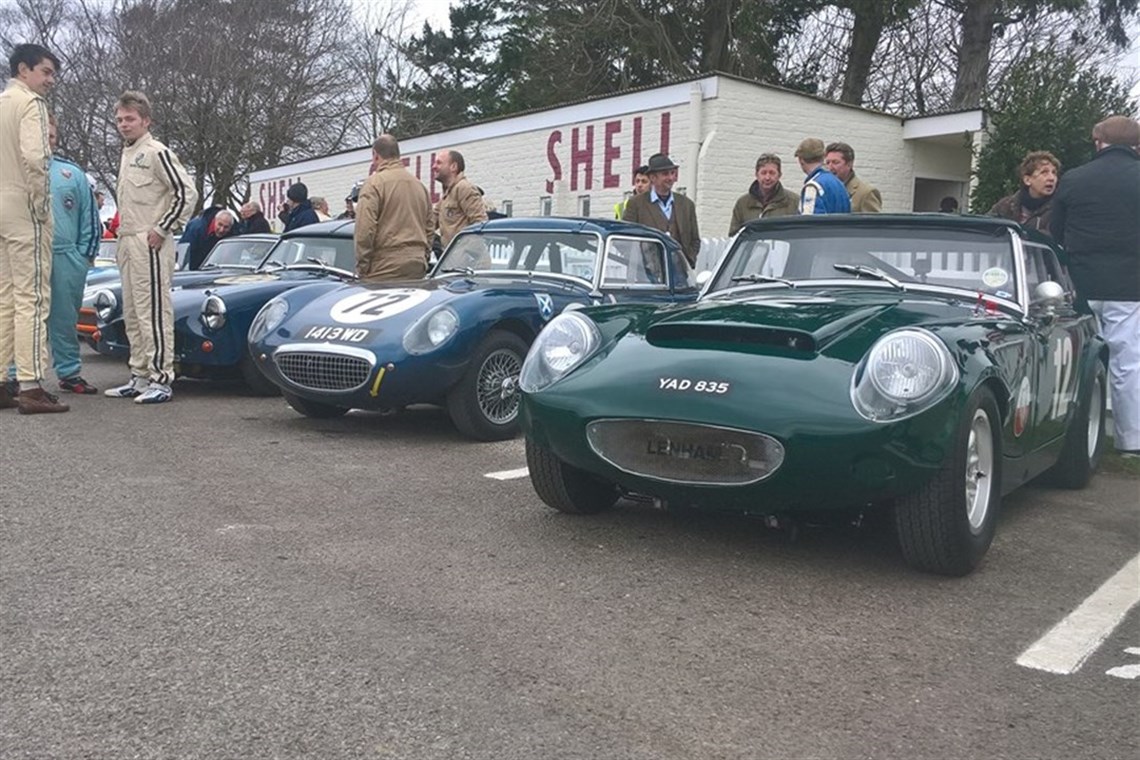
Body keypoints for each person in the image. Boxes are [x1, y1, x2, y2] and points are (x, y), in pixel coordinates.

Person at [1050, 115, 1140, 458]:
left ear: (1098, 142)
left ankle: (1078, 436)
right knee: (1127, 361)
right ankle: (1130, 440)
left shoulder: (1073, 178)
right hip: (1129, 285)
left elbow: (1056, 233)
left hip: (1081, 284)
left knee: (1082, 360)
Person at [103, 90, 197, 404]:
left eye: (129, 119)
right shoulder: (127, 154)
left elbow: (186, 192)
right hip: (127, 240)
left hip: (150, 241)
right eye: (119, 119)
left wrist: (162, 227)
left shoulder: (157, 152)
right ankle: (140, 374)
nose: (123, 124)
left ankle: (161, 378)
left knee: (153, 311)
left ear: (146, 120)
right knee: (132, 312)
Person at [0, 43, 69, 414]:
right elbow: (35, 156)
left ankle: (1, 381)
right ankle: (30, 385)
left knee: (6, 297)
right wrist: (41, 205)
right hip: (24, 205)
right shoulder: (31, 104)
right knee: (32, 298)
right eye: (46, 72)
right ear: (23, 70)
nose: (50, 80)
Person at [46, 115, 101, 395]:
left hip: (66, 257)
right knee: (21, 318)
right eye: (41, 134)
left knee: (64, 319)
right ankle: (15, 376)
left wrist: (83, 257)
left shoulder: (71, 173)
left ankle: (69, 372)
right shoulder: (9, 171)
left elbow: (89, 218)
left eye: (51, 136)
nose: (46, 141)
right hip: (24, 255)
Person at [354, 134, 432, 282]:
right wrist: (423, 255)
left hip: (383, 267)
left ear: (375, 155)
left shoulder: (373, 184)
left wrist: (362, 267)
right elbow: (430, 226)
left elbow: (365, 229)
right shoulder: (419, 186)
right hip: (416, 265)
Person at [622, 152, 701, 266]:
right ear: (652, 178)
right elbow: (624, 239)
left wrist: (689, 260)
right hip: (646, 272)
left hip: (679, 272)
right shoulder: (636, 204)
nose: (670, 178)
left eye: (672, 173)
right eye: (665, 174)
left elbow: (695, 240)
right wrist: (639, 264)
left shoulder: (687, 205)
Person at [989, 151, 1059, 235]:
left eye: (1054, 173)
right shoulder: (1006, 206)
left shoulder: (1058, 209)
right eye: (1044, 172)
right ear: (1027, 180)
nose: (1051, 178)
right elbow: (986, 228)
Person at [728, 153, 799, 234]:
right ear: (756, 175)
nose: (767, 177)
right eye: (763, 173)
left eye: (772, 173)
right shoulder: (743, 204)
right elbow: (734, 235)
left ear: (779, 175)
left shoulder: (794, 202)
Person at [431, 148, 487, 248]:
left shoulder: (464, 188)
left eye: (439, 163)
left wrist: (465, 252)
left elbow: (480, 224)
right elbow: (430, 223)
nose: (433, 167)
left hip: (467, 257)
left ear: (453, 167)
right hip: (453, 256)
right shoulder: (446, 196)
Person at [795, 138, 850, 215]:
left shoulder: (813, 187)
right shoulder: (839, 183)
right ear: (823, 157)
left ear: (801, 160)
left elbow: (809, 220)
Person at [824, 141, 882, 212]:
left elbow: (873, 219)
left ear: (849, 164)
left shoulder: (866, 193)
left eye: (835, 162)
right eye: (827, 163)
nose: (830, 167)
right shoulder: (824, 190)